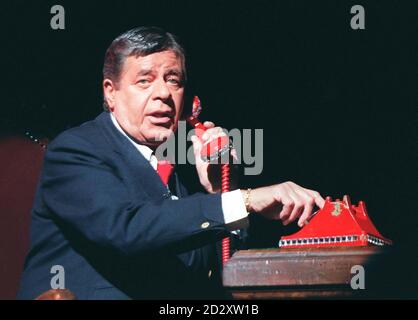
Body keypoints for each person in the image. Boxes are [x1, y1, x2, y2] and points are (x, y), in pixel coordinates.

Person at [17, 26, 325, 300]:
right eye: (144, 80)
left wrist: (220, 189)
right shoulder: (75, 150)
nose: (163, 93)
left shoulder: (185, 167)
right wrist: (246, 200)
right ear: (111, 93)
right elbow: (127, 228)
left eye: (173, 80)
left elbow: (215, 274)